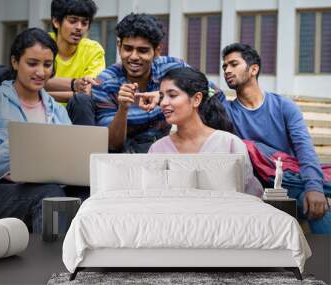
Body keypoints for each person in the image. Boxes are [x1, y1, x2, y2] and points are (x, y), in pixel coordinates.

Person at [0, 28, 72, 233]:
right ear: (15, 62)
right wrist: (23, 145)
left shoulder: (57, 111)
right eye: (32, 63)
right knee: (51, 196)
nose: (41, 72)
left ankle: (64, 260)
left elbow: (66, 163)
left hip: (45, 187)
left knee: (78, 194)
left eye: (47, 65)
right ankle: (49, 263)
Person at [219, 43, 330, 233]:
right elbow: (194, 84)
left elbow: (304, 148)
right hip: (252, 191)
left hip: (286, 185)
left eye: (233, 64)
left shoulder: (283, 106)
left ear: (254, 69)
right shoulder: (226, 110)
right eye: (224, 66)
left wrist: (314, 187)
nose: (227, 70)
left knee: (318, 207)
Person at [148, 67, 263, 197]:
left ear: (196, 99)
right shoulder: (157, 149)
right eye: (162, 97)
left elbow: (249, 196)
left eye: (172, 95)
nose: (163, 103)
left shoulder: (229, 144)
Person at [93, 13, 188, 153]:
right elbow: (112, 145)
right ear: (119, 47)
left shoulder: (173, 68)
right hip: (126, 152)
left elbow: (210, 93)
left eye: (142, 50)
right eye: (128, 49)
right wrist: (123, 109)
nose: (134, 57)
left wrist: (164, 95)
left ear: (156, 51)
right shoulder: (105, 83)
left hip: (169, 146)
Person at [46, 0, 105, 125]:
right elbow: (25, 81)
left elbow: (88, 92)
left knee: (81, 100)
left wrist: (41, 92)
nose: (79, 27)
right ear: (56, 22)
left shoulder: (94, 50)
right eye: (72, 21)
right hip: (40, 109)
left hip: (74, 113)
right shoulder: (41, 44)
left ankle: (86, 145)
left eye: (84, 23)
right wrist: (74, 88)